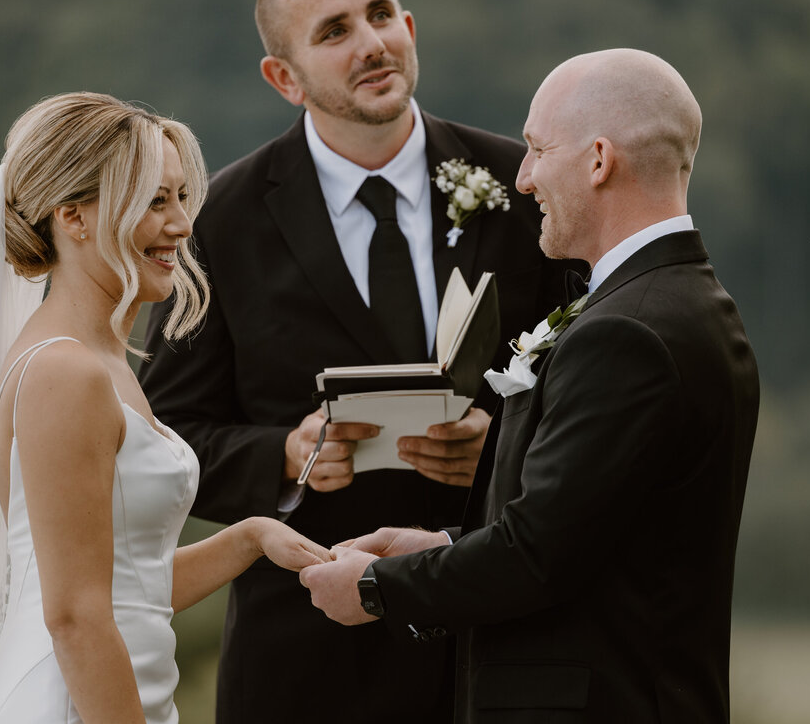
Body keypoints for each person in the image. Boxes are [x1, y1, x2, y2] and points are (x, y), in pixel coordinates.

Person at [137, 0, 584, 724]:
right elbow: (161, 440)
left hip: (493, 642)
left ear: (410, 28)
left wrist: (505, 441)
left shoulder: (522, 186)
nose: (371, 42)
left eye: (381, 15)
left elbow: (592, 383)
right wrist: (283, 453)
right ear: (285, 77)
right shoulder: (221, 222)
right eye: (335, 30)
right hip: (304, 655)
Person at [300, 49, 761, 723]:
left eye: (537, 148)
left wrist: (376, 587)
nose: (522, 178)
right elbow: (581, 530)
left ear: (599, 160)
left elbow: (536, 557)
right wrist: (445, 547)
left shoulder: (627, 334)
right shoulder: (674, 303)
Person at [0, 92, 331, 724]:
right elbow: (73, 616)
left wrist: (253, 538)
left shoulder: (103, 359)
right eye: (154, 200)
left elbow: (130, 589)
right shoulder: (66, 372)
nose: (181, 223)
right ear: (73, 217)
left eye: (181, 197)